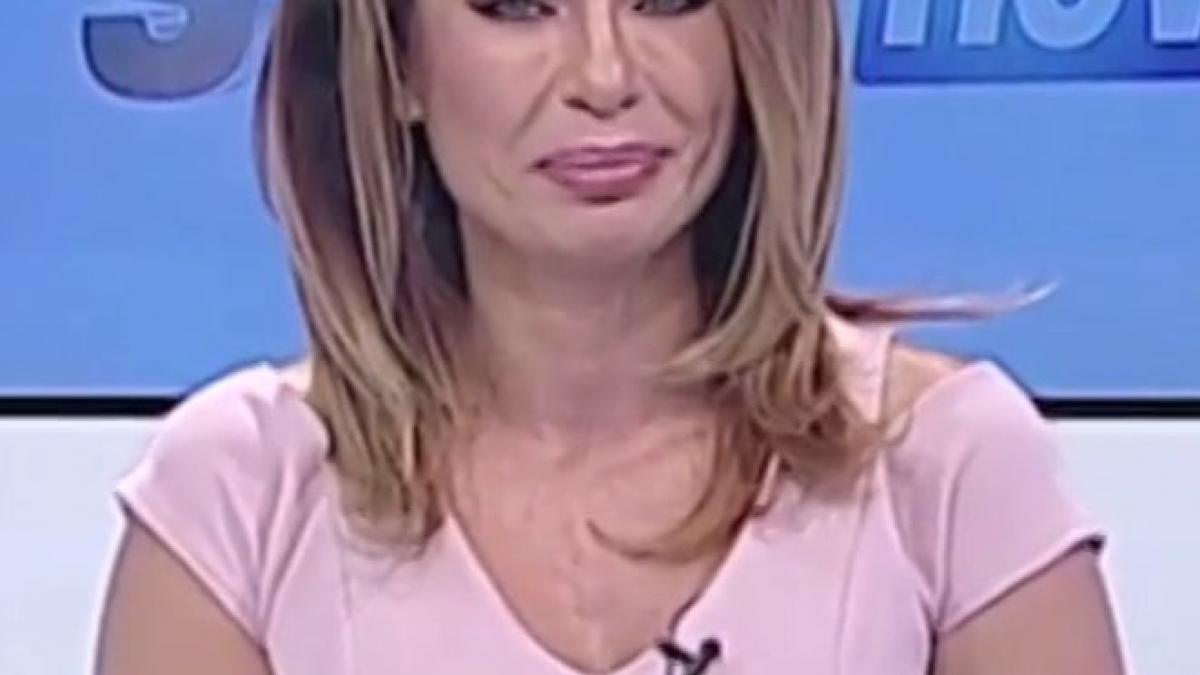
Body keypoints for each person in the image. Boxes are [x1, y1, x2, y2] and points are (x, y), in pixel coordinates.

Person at [94, 0, 1126, 673]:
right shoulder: (239, 498)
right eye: (516, 6)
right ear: (397, 63)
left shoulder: (947, 471)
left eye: (665, 0)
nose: (603, 72)